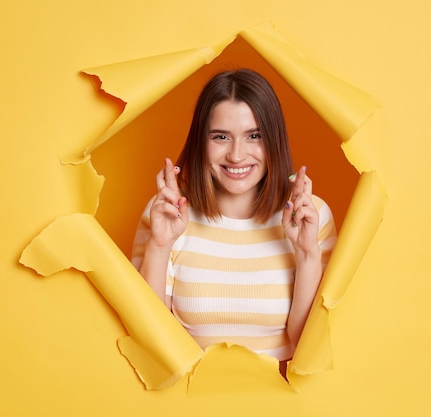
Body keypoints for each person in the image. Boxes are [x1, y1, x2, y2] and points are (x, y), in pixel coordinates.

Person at [131, 69, 337, 363]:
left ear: (274, 141)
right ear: (201, 142)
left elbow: (310, 348)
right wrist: (160, 246)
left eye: (254, 136)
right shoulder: (166, 213)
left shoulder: (311, 215)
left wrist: (306, 253)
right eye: (221, 137)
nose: (237, 155)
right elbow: (148, 337)